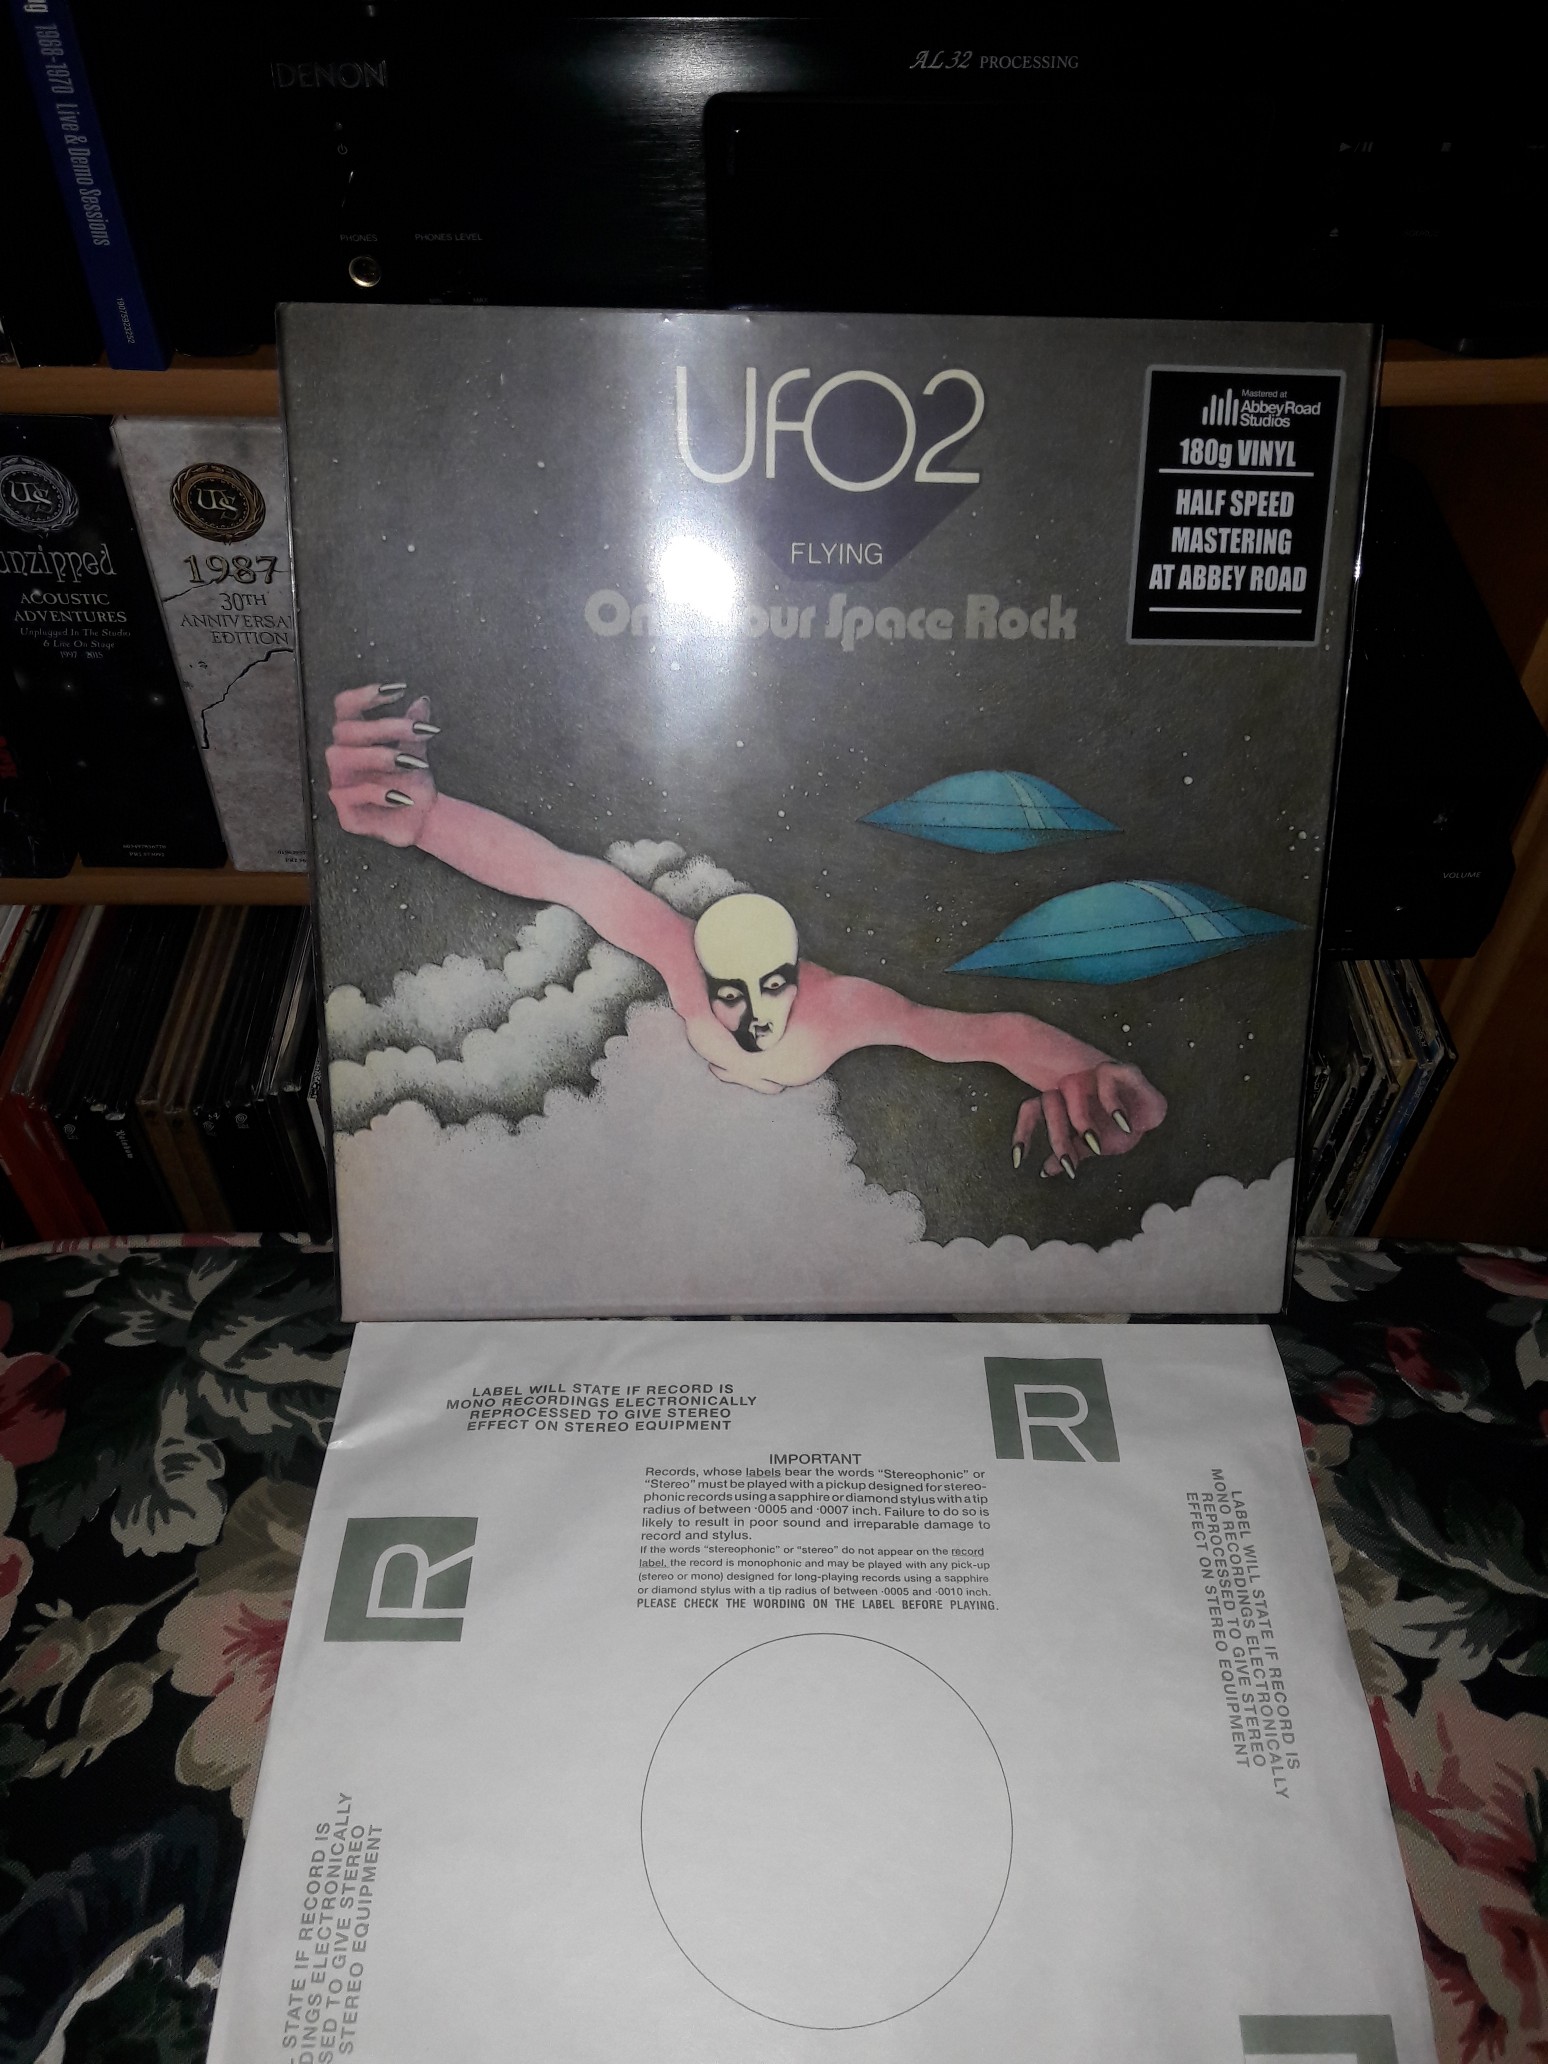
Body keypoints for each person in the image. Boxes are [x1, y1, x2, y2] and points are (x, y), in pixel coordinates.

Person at [326, 683, 1167, 1177]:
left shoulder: (843, 1011)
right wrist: (428, 821)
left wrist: (1090, 1072)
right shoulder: (679, 963)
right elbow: (564, 874)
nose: (752, 1012)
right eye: (730, 992)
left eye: (771, 987)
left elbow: (985, 1034)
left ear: (799, 976)